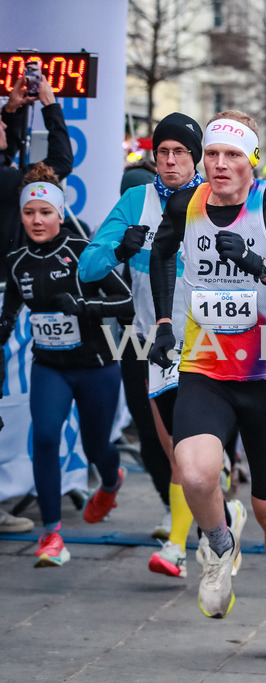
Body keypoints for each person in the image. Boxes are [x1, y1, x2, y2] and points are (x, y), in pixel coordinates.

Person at [148, 110, 266, 662]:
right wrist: (162, 322)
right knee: (194, 471)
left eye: (233, 155)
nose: (220, 165)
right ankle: (218, 543)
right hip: (205, 364)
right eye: (213, 155)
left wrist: (259, 265)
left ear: (252, 160)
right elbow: (161, 253)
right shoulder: (187, 203)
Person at [79, 112, 217, 579]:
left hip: (213, 343)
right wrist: (120, 249)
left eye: (180, 152)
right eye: (163, 152)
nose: (171, 160)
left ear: (195, 157)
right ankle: (215, 525)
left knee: (186, 449)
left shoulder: (214, 198)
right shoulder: (137, 201)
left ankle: (179, 544)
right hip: (156, 344)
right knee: (176, 447)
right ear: (154, 157)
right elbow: (87, 268)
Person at [0, 164, 133, 566]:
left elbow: (125, 303)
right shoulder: (18, 260)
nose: (36, 221)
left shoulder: (83, 253)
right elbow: (9, 316)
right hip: (50, 367)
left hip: (96, 366)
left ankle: (111, 481)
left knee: (96, 447)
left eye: (45, 212)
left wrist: (84, 308)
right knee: (43, 437)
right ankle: (52, 534)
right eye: (29, 213)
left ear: (60, 213)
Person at [1, 76, 72, 260]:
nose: (2, 124)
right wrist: (50, 106)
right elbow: (61, 161)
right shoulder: (6, 179)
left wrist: (11, 110)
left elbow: (5, 156)